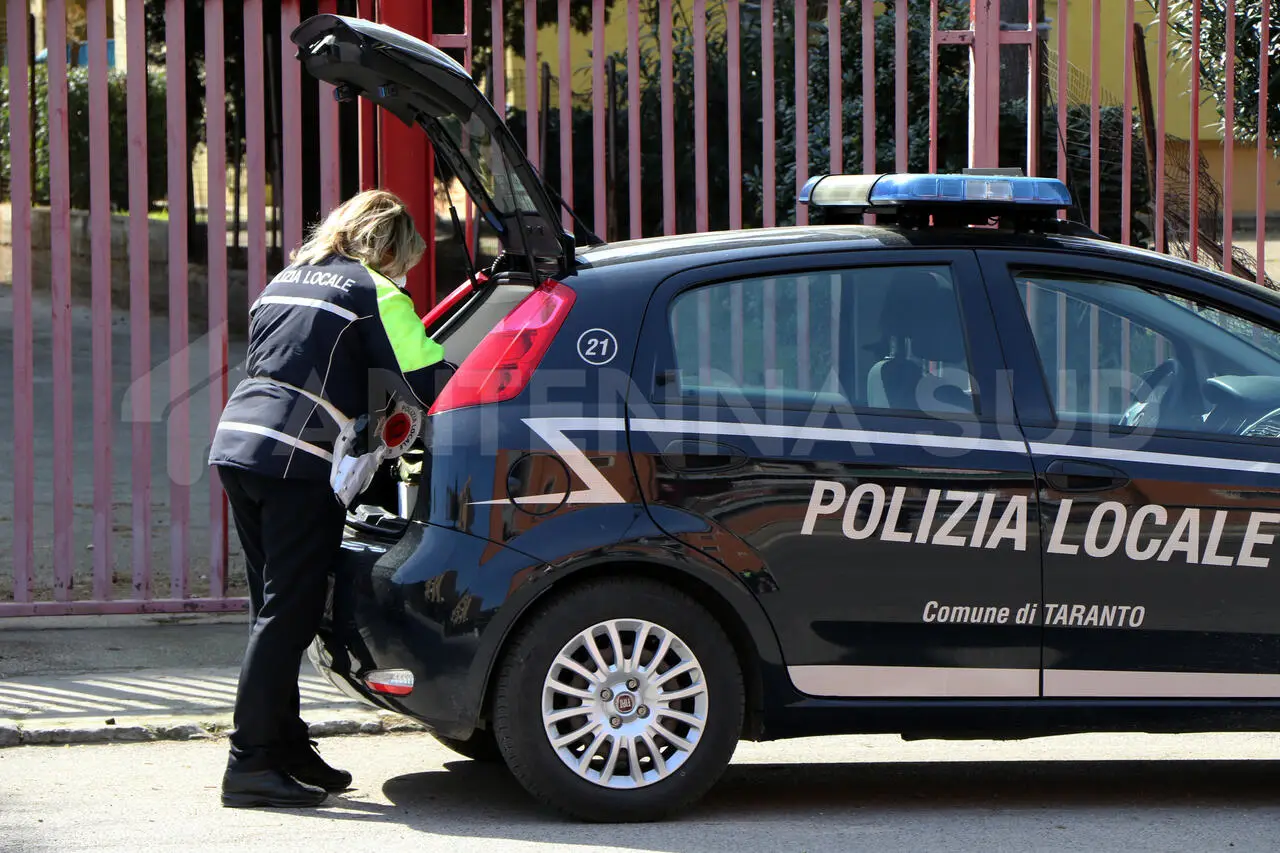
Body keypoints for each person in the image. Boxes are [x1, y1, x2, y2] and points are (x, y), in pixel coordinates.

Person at [209, 190, 452, 808]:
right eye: (405, 261)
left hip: (239, 444)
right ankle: (250, 765)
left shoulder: (289, 280)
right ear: (389, 246)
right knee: (288, 610)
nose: (404, 275)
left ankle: (285, 745)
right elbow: (429, 381)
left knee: (273, 608)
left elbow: (292, 365)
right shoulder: (376, 292)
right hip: (295, 460)